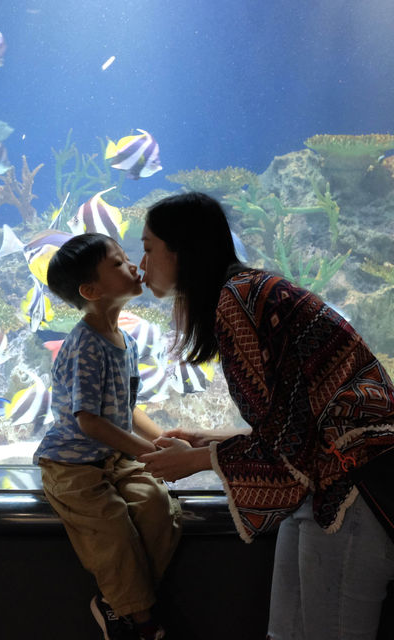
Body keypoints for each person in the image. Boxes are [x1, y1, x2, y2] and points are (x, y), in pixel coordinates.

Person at [137, 191, 394, 640]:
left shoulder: (236, 302)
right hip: (325, 483)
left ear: (179, 252)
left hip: (353, 487)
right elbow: (293, 418)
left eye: (147, 248)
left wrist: (198, 460)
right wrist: (209, 439)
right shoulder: (248, 292)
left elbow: (292, 437)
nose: (142, 265)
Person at [34, 232, 182, 640]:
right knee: (113, 527)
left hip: (112, 459)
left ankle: (116, 602)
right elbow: (90, 422)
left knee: (156, 504)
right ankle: (140, 621)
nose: (133, 265)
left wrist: (164, 441)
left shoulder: (126, 341)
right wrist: (152, 453)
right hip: (71, 464)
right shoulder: (85, 344)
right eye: (117, 263)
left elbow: (127, 409)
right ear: (91, 290)